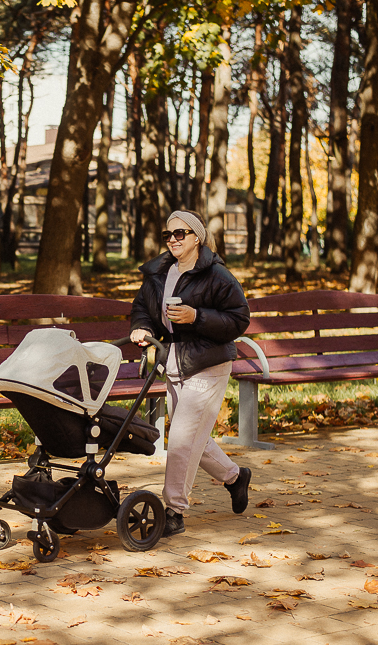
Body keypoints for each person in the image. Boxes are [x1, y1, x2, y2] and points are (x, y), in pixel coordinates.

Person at [129, 210, 253, 537]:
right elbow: (142, 306)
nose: (172, 239)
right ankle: (235, 477)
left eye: (180, 233)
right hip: (173, 362)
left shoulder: (217, 276)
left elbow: (239, 320)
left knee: (183, 437)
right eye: (168, 234)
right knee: (194, 436)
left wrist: (196, 316)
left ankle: (173, 511)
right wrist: (142, 327)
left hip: (208, 363)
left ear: (197, 237)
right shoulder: (159, 272)